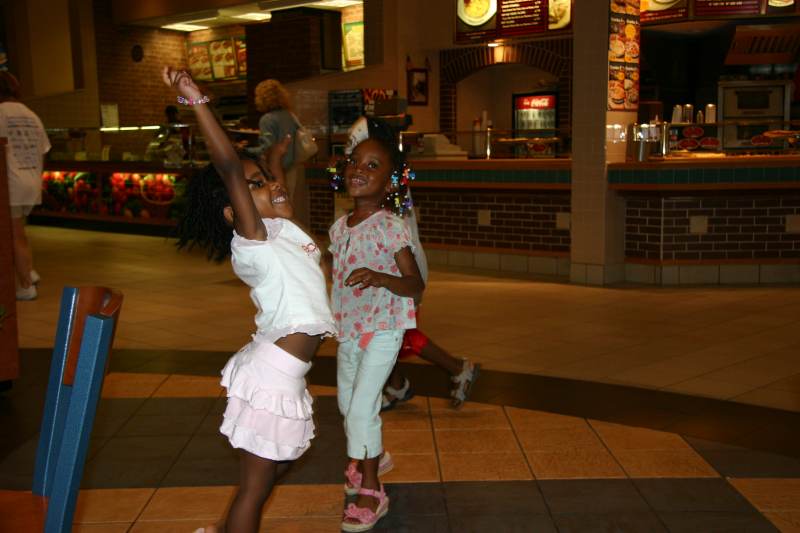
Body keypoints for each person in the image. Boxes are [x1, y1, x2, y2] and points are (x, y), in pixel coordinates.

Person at [162, 66, 335, 533]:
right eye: (254, 186)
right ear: (232, 209)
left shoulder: (285, 231)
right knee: (256, 488)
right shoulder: (254, 239)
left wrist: (276, 164)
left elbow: (280, 193)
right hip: (272, 376)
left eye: (266, 181)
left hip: (288, 373)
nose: (271, 187)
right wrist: (197, 101)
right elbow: (229, 167)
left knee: (276, 468)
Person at [339, 118, 480, 411]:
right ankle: (397, 385)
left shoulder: (384, 189)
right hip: (385, 276)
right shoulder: (380, 179)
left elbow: (394, 244)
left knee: (397, 334)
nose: (354, 159)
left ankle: (456, 368)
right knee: (384, 335)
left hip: (398, 272)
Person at [328, 117, 424, 532]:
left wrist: (379, 276)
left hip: (384, 328)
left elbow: (414, 285)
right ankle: (373, 453)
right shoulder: (338, 228)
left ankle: (371, 487)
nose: (358, 171)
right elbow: (335, 278)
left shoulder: (390, 226)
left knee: (364, 407)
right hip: (349, 329)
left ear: (390, 184)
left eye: (372, 166)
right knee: (347, 407)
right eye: (354, 162)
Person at [0, 72, 51, 301]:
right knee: (18, 233)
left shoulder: (1, 113)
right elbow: (44, 150)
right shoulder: (32, 115)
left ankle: (26, 285)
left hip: (10, 183)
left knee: (15, 236)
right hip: (30, 183)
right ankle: (28, 270)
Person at [252, 79, 311, 227]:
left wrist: (244, 150)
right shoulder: (289, 115)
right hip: (294, 167)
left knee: (279, 211)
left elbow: (266, 147)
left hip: (276, 170)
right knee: (294, 209)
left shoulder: (267, 119)